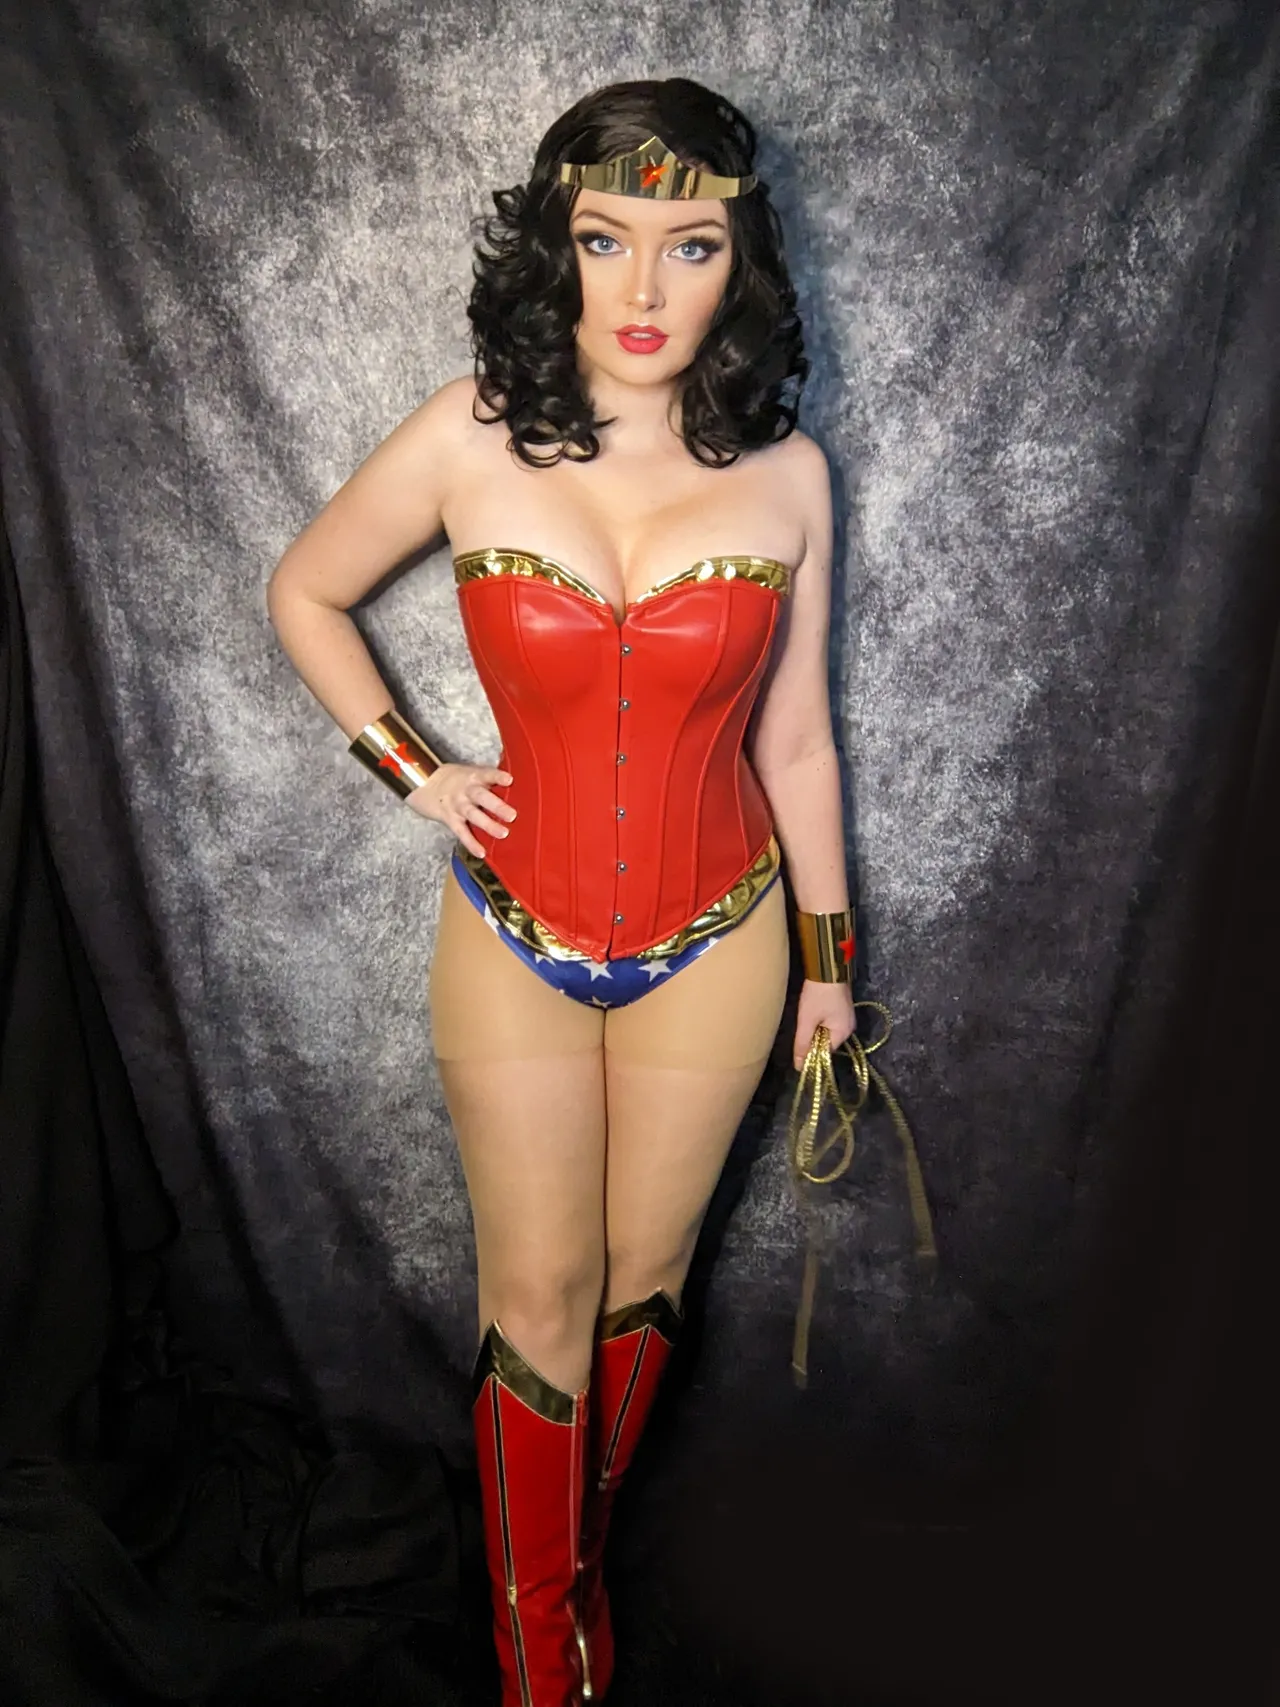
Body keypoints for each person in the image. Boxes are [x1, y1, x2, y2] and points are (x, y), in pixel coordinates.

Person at [267, 76, 856, 1707]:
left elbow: (797, 741)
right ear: (556, 247)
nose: (645, 289)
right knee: (537, 1292)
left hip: (723, 938)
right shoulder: (468, 431)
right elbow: (307, 589)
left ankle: (575, 1571)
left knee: (644, 1286)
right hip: (512, 932)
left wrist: (828, 961)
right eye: (607, 240)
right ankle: (543, 1657)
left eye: (692, 245)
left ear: (742, 264)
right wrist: (417, 768)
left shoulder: (790, 475)